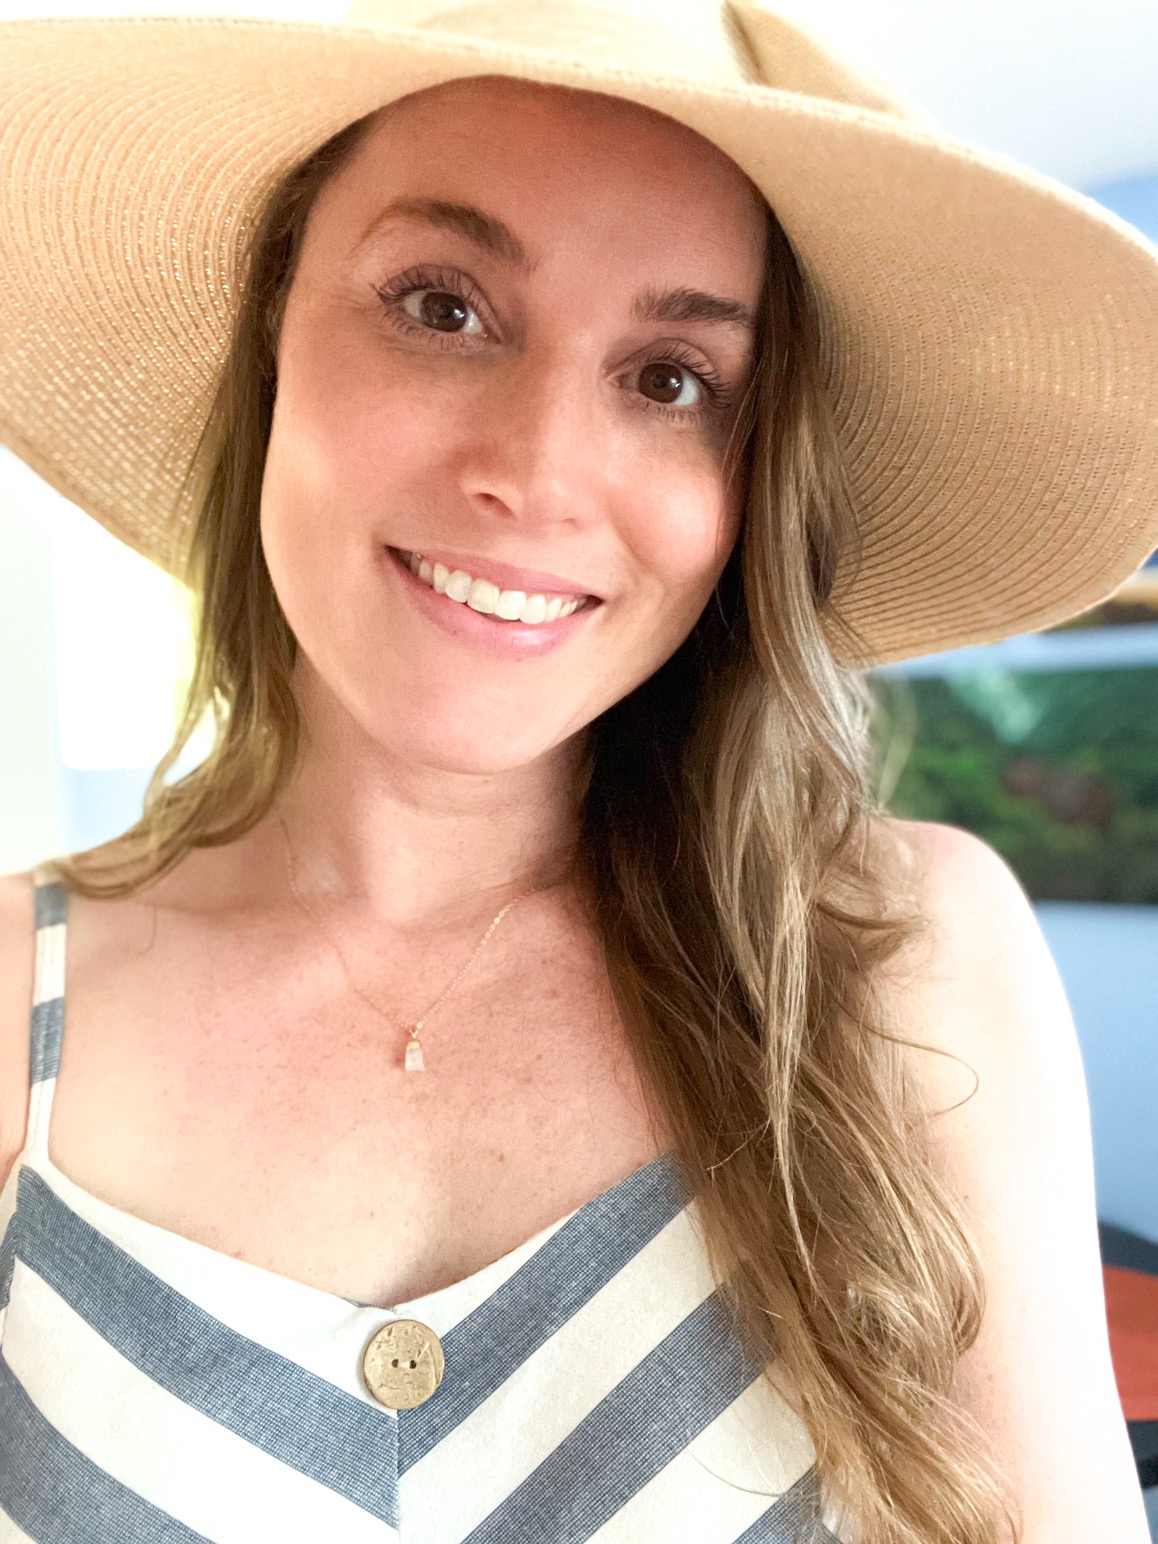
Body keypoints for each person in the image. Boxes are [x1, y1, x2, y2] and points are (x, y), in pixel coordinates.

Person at [0, 3, 1155, 1541]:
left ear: (746, 487)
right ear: (267, 336)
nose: (536, 470)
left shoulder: (900, 960)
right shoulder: (21, 995)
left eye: (672, 378)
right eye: (440, 304)